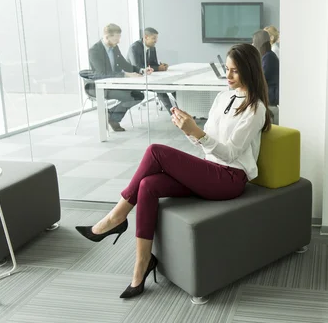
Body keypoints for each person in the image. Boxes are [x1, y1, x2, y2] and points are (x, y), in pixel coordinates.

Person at [75, 43, 271, 299]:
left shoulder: (256, 109)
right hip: (210, 170)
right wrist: (187, 129)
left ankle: (115, 218)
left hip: (229, 178)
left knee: (155, 151)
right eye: (227, 69)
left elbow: (231, 153)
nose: (228, 76)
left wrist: (196, 132)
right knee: (148, 186)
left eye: (235, 71)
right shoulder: (223, 97)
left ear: (249, 71)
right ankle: (142, 263)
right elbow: (205, 139)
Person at [89, 23, 147, 132]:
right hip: (100, 86)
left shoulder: (114, 47)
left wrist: (141, 70)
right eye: (116, 38)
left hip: (115, 83)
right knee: (129, 96)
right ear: (107, 37)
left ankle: (110, 114)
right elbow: (102, 73)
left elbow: (124, 64)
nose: (118, 41)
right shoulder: (94, 50)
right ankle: (113, 118)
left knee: (138, 95)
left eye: (119, 38)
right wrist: (126, 75)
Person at [127, 27, 176, 114]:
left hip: (148, 77)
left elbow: (153, 64)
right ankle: (173, 114)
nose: (156, 41)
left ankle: (185, 111)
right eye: (154, 38)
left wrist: (161, 66)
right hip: (135, 78)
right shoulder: (134, 48)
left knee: (173, 87)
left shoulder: (152, 47)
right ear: (146, 37)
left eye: (156, 38)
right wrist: (157, 68)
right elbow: (137, 67)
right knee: (160, 88)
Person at [253, 30, 280, 124]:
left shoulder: (269, 57)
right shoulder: (267, 56)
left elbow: (260, 78)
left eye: (254, 42)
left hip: (270, 98)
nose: (253, 44)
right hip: (269, 97)